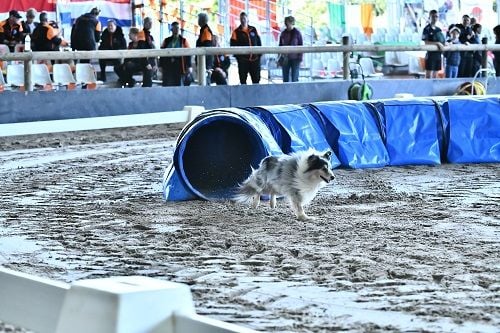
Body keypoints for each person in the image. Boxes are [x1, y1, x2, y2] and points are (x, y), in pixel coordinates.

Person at [230, 12, 262, 84]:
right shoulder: (236, 32)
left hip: (255, 60)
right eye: (241, 19)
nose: (243, 20)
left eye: (244, 18)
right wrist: (239, 58)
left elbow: (259, 42)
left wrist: (259, 56)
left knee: (256, 81)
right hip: (243, 61)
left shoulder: (254, 29)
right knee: (243, 81)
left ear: (247, 19)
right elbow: (232, 46)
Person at [159, 21, 192, 86]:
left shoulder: (183, 40)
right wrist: (160, 65)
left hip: (179, 64)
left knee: (178, 83)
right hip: (168, 64)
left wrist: (189, 66)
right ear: (171, 29)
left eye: (177, 28)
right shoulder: (166, 40)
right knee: (167, 83)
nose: (176, 30)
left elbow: (188, 54)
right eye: (174, 28)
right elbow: (161, 53)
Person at [278, 16, 303, 82]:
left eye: (288, 22)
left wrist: (300, 58)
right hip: (285, 58)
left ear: (292, 23)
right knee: (285, 78)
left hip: (295, 58)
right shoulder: (283, 33)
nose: (287, 24)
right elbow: (280, 45)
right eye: (286, 22)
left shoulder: (297, 33)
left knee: (295, 77)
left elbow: (301, 45)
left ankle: (295, 91)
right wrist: (279, 57)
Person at [421, 9, 445, 79]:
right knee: (428, 74)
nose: (435, 18)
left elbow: (443, 41)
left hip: (438, 54)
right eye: (433, 16)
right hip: (430, 55)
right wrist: (437, 43)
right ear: (429, 17)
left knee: (435, 74)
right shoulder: (426, 29)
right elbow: (426, 42)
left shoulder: (439, 29)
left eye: (436, 16)